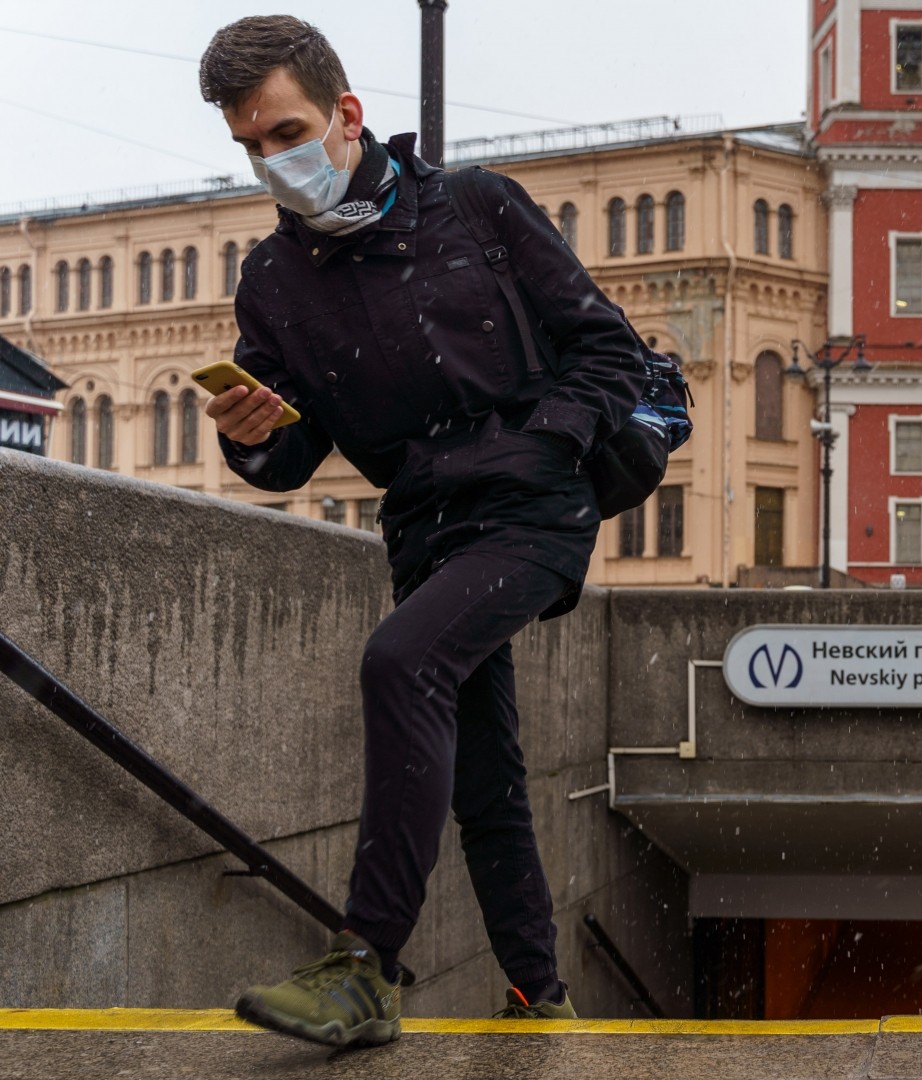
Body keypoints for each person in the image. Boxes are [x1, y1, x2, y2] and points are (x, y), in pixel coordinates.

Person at [197, 15, 644, 1048]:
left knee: (402, 664)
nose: (274, 161)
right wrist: (251, 435)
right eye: (250, 146)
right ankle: (544, 994)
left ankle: (365, 967)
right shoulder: (273, 281)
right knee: (484, 774)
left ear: (348, 116)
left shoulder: (476, 207)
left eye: (288, 132)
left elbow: (610, 354)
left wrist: (547, 447)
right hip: (426, 528)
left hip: (535, 511)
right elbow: (290, 459)